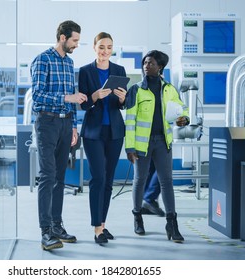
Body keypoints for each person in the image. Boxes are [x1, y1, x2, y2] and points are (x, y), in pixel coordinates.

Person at [30, 20, 87, 251]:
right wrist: (66, 99)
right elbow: (37, 96)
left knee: (61, 177)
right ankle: (45, 232)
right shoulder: (42, 60)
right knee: (47, 176)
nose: (76, 45)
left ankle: (56, 225)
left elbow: (72, 96)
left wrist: (73, 126)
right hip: (47, 123)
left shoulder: (69, 63)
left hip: (65, 125)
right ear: (63, 37)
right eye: (74, 40)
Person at [125, 50, 189, 243]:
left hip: (163, 142)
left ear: (160, 67)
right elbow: (130, 120)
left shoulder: (170, 89)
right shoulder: (135, 89)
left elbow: (182, 110)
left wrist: (184, 119)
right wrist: (129, 147)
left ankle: (172, 223)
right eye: (145, 63)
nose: (146, 66)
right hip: (142, 144)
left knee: (166, 182)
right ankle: (137, 217)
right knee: (139, 180)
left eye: (150, 63)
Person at [78, 32, 127, 244]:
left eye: (109, 47)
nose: (105, 51)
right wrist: (94, 97)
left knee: (108, 180)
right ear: (94, 48)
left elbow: (122, 105)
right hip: (93, 132)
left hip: (114, 131)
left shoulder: (119, 70)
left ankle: (103, 225)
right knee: (97, 178)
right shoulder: (85, 71)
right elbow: (83, 104)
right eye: (101, 47)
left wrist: (124, 99)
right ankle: (97, 228)